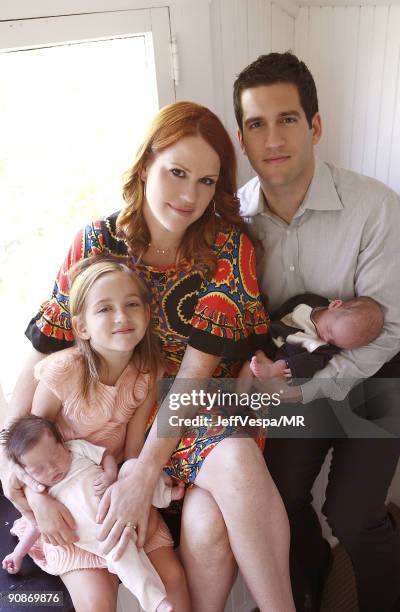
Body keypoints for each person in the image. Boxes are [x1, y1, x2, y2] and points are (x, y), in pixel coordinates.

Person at [1, 101, 295, 612]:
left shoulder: (230, 248)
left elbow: (196, 376)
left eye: (207, 181)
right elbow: (43, 349)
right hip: (118, 420)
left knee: (227, 480)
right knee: (206, 526)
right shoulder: (96, 242)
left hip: (200, 410)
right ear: (145, 166)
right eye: (176, 172)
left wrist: (141, 474)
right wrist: (10, 457)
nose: (189, 195)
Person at [235, 52, 400, 612]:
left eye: (286, 118)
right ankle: (308, 580)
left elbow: (391, 330)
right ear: (242, 139)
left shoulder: (377, 208)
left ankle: (387, 599)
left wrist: (306, 393)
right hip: (295, 368)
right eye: (256, 124)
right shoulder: (233, 221)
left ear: (314, 125)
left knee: (354, 516)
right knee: (278, 497)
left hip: (375, 369)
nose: (272, 138)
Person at [2, 415, 185, 612]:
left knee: (132, 467)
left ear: (62, 445)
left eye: (54, 458)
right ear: (27, 474)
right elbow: (37, 525)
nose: (51, 469)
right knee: (122, 555)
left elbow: (105, 456)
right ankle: (156, 602)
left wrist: (109, 474)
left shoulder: (76, 449)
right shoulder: (43, 492)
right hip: (105, 537)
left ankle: (166, 494)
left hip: (122, 500)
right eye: (39, 470)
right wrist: (18, 554)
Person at [238, 294, 384, 386]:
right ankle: (236, 402)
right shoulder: (308, 303)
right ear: (335, 305)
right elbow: (282, 312)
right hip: (270, 340)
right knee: (250, 364)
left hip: (287, 360)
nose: (325, 338)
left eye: (334, 341)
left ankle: (270, 371)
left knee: (279, 370)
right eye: (329, 329)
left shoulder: (327, 346)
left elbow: (316, 361)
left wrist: (289, 366)